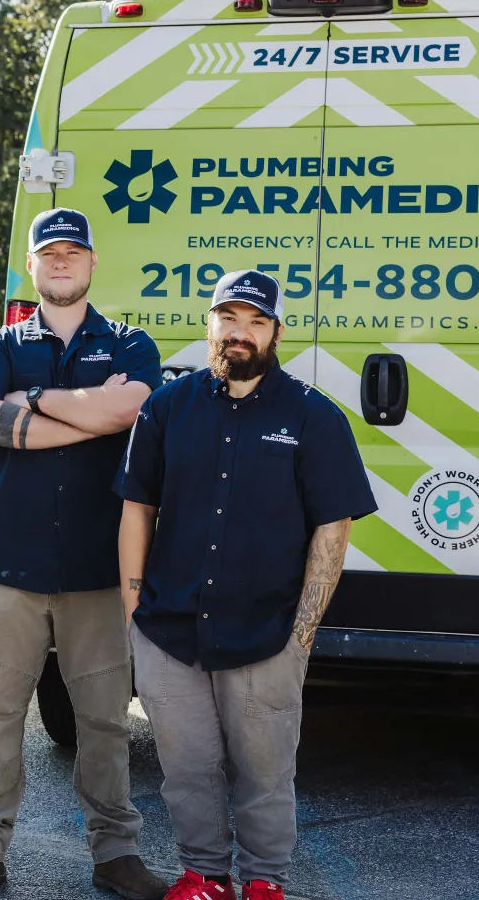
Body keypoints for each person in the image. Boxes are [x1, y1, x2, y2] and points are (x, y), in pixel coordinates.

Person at [0, 208, 165, 900]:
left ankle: (116, 854)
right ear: (32, 266)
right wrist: (84, 418)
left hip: (98, 566)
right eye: (48, 253)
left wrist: (32, 407)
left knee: (105, 720)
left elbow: (132, 410)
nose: (61, 262)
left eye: (73, 252)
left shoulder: (129, 343)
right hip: (12, 564)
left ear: (92, 263)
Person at [117, 270, 375, 900]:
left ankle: (264, 882)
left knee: (265, 773)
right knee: (186, 771)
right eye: (229, 318)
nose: (241, 333)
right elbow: (136, 509)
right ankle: (203, 876)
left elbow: (331, 529)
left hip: (268, 632)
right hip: (169, 630)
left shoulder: (314, 417)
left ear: (276, 333)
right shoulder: (167, 407)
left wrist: (301, 637)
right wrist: (133, 614)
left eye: (257, 321)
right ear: (210, 324)